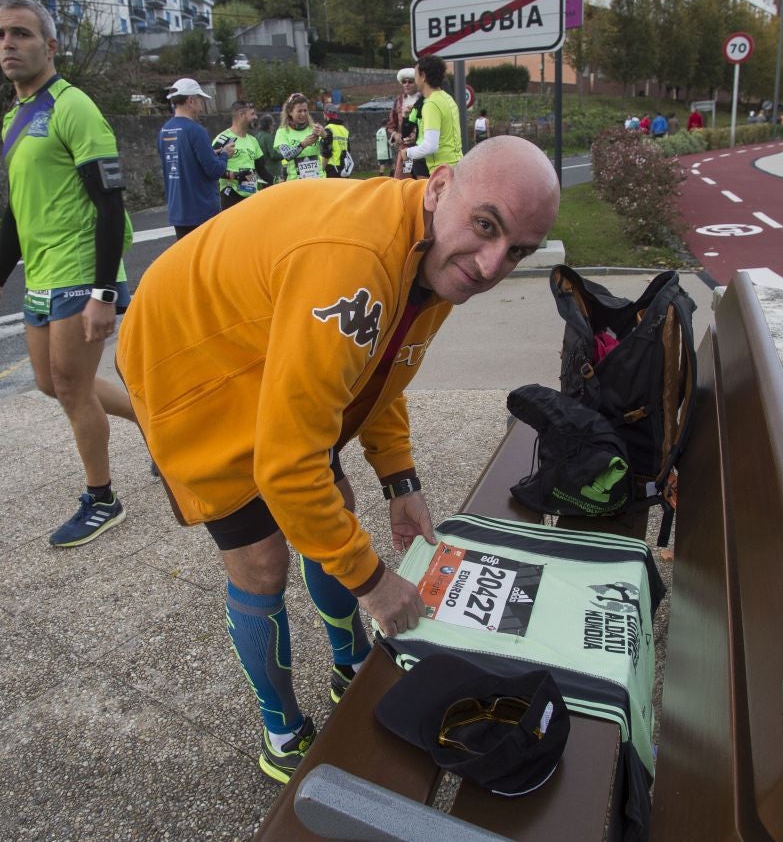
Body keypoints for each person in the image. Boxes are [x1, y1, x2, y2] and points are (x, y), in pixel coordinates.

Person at [114, 135, 560, 784]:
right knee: (263, 560)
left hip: (269, 333)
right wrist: (375, 583)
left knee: (334, 508)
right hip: (187, 360)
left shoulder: (431, 253)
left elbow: (383, 371)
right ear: (439, 187)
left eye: (516, 250)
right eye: (486, 226)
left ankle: (349, 664)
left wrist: (398, 478)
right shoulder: (357, 262)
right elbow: (286, 469)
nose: (493, 265)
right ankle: (281, 728)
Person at [0, 0, 137, 549]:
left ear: (50, 45)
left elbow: (110, 203)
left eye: (21, 33)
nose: (8, 44)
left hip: (79, 270)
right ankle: (158, 422)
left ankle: (102, 498)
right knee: (54, 384)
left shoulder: (74, 107)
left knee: (71, 386)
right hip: (38, 277)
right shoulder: (14, 117)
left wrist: (104, 292)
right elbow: (16, 210)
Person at [158, 77, 233, 235]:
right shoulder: (196, 130)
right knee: (206, 257)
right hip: (201, 210)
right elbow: (214, 170)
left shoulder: (164, 131)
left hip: (178, 210)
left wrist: (211, 153)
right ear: (191, 101)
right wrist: (225, 155)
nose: (201, 106)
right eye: (200, 101)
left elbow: (180, 160)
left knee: (186, 257)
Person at [404, 55, 462, 176]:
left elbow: (430, 146)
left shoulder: (431, 104)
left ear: (423, 76)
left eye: (415, 75)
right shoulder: (448, 98)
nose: (415, 80)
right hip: (458, 167)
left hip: (441, 171)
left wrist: (407, 153)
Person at [214, 100, 274, 209]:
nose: (256, 117)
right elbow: (212, 169)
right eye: (252, 114)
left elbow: (261, 170)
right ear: (241, 115)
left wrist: (276, 181)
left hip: (250, 196)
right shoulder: (223, 139)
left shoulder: (253, 141)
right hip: (230, 195)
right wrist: (236, 176)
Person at [273, 92, 327, 181]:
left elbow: (328, 151)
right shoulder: (282, 132)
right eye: (299, 111)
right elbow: (287, 155)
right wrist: (303, 144)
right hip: (296, 183)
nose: (303, 114)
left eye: (305, 110)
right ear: (290, 112)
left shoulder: (314, 128)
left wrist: (326, 136)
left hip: (318, 181)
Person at [386, 67, 419, 162]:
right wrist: (396, 134)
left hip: (421, 148)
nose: (407, 84)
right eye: (404, 82)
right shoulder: (399, 101)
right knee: (402, 176)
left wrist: (417, 135)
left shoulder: (424, 100)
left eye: (410, 82)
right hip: (404, 149)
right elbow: (391, 125)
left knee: (422, 177)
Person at [321, 103, 352, 178]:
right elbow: (348, 150)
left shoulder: (328, 129)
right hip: (344, 168)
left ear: (325, 114)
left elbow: (326, 152)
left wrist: (321, 169)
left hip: (331, 168)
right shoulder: (344, 130)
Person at [254, 114, 280, 184]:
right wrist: (285, 154)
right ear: (269, 125)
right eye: (273, 125)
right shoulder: (268, 137)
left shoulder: (257, 136)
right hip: (270, 173)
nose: (273, 127)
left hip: (259, 173)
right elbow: (274, 155)